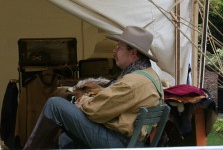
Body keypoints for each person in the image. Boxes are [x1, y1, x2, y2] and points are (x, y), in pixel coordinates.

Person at [23, 26, 163, 149]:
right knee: (66, 140)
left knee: (54, 104)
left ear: (133, 53)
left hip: (119, 143)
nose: (114, 51)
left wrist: (82, 102)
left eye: (119, 47)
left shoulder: (133, 82)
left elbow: (95, 111)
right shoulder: (150, 76)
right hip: (133, 141)